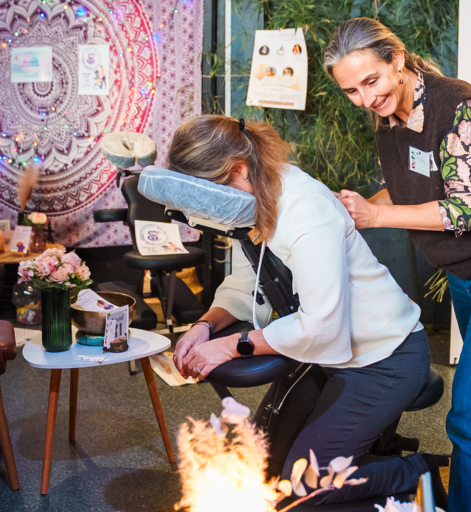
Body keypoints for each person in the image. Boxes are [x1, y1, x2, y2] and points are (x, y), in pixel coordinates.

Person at [324, 17, 471, 512]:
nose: (364, 99)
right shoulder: (389, 117)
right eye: (351, 91)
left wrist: (376, 216)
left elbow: (465, 208)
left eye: (371, 81)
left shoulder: (457, 107)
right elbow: (411, 188)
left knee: (470, 410)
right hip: (464, 270)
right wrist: (353, 211)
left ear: (397, 60)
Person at [168, 115, 447, 507]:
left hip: (384, 358)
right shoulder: (256, 196)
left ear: (239, 169)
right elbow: (249, 281)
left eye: (211, 193)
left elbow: (321, 324)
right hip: (324, 357)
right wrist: (204, 326)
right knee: (261, 473)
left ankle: (417, 472)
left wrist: (231, 345)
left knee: (300, 491)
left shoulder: (305, 210)